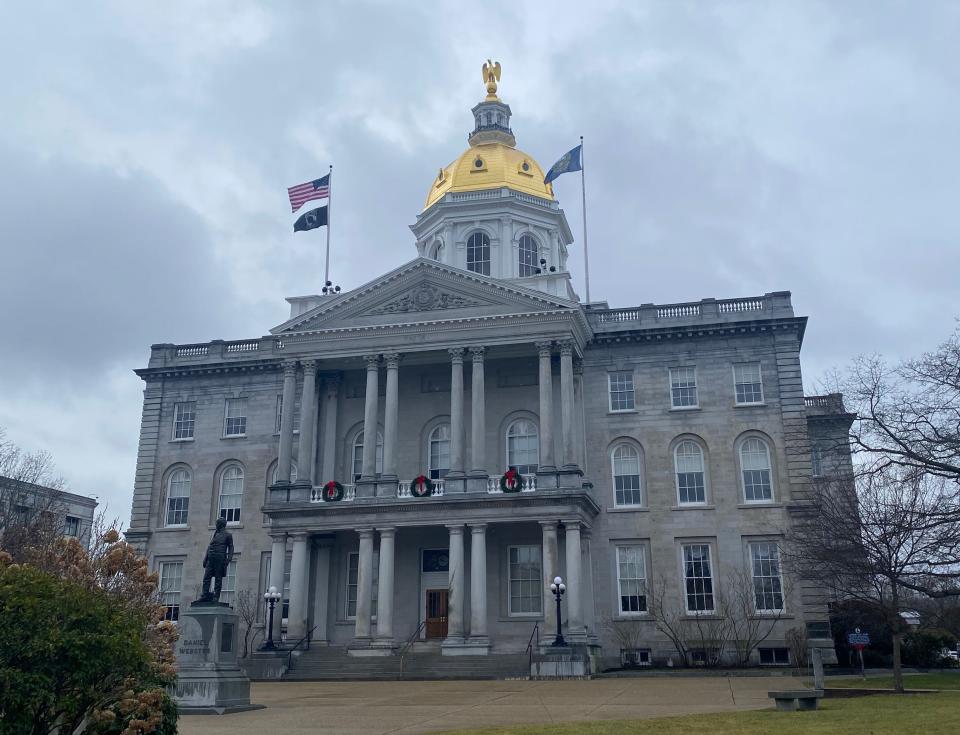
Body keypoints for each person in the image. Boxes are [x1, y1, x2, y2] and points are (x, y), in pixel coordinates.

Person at [200, 518, 234, 603]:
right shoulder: (214, 534)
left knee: (218, 579)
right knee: (206, 578)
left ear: (221, 524)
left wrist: (229, 559)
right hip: (210, 559)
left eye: (217, 523)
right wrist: (205, 558)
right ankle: (205, 595)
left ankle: (216, 596)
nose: (216, 525)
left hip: (220, 559)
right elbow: (209, 547)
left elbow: (231, 547)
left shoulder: (228, 535)